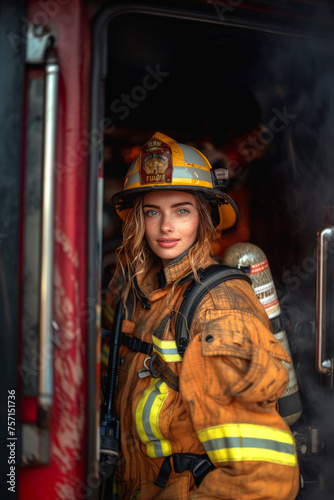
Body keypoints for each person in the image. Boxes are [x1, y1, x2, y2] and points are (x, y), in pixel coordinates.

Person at [106, 132, 300, 499]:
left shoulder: (219, 308)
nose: (165, 226)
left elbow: (263, 480)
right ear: (137, 220)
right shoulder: (146, 295)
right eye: (152, 211)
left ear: (205, 217)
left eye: (182, 210)